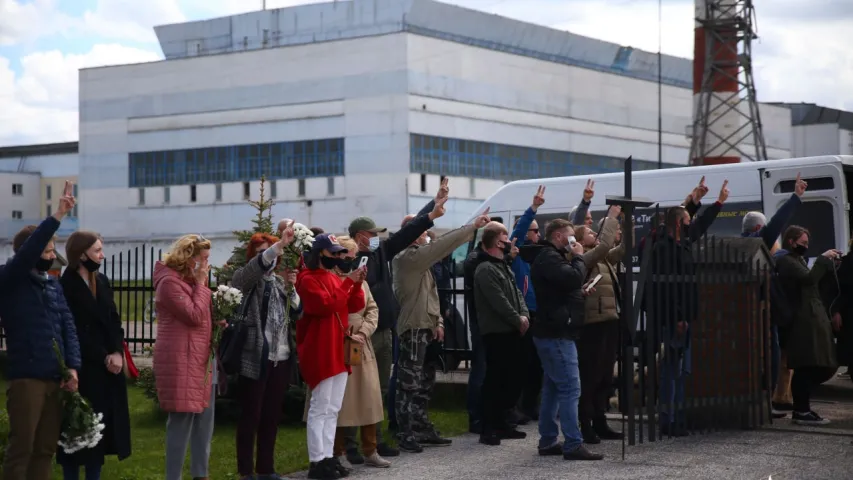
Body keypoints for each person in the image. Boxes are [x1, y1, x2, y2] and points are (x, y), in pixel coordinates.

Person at [343, 179, 447, 463]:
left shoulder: (379, 251)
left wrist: (432, 208)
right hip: (358, 333)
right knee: (354, 390)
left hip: (384, 328)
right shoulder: (346, 259)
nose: (377, 237)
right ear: (359, 235)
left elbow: (408, 232)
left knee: (379, 389)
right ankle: (350, 446)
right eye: (372, 233)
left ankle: (372, 443)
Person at [392, 198, 491, 453]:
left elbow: (432, 293)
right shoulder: (407, 257)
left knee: (425, 381)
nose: (426, 236)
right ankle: (405, 432)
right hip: (413, 328)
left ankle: (421, 426)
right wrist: (472, 228)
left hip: (425, 326)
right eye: (421, 232)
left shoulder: (420, 262)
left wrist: (437, 322)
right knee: (408, 384)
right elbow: (444, 245)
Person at [0, 181, 81, 480]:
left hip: (56, 378)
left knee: (46, 448)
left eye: (53, 248)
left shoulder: (52, 286)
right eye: (47, 248)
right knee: (23, 446)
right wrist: (58, 214)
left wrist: (72, 367)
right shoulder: (11, 279)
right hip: (28, 377)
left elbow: (68, 326)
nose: (51, 254)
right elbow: (27, 254)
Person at [649, 179, 727, 436]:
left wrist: (716, 203)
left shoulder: (681, 243)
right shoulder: (664, 247)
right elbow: (668, 288)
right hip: (674, 318)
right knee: (671, 370)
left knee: (681, 369)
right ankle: (668, 418)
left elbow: (700, 226)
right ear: (676, 224)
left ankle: (678, 415)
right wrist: (679, 317)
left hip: (684, 316)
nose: (689, 222)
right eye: (686, 220)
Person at [58, 231, 132, 480]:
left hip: (107, 368)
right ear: (81, 255)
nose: (102, 255)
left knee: (99, 433)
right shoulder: (65, 285)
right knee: (77, 432)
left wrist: (117, 352)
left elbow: (113, 320)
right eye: (97, 251)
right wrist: (103, 356)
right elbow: (73, 329)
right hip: (83, 366)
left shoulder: (101, 281)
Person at [230, 226, 302, 480]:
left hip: (280, 358)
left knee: (271, 415)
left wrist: (292, 288)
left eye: (269, 251)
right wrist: (277, 246)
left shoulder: (280, 281)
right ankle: (245, 470)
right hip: (255, 355)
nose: (268, 257)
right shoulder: (247, 279)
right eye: (260, 253)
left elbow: (297, 310)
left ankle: (266, 469)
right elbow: (249, 272)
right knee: (251, 414)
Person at [529, 218, 603, 461]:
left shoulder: (552, 258)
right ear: (559, 236)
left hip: (554, 329)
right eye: (571, 237)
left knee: (552, 387)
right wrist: (579, 256)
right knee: (571, 387)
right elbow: (570, 278)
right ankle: (573, 443)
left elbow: (561, 287)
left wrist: (579, 292)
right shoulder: (550, 257)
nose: (574, 241)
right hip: (557, 333)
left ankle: (548, 439)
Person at [296, 234, 367, 480]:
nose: (337, 257)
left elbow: (353, 305)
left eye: (338, 253)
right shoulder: (306, 279)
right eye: (333, 253)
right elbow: (324, 306)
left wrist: (356, 283)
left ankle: (327, 457)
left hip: (336, 347)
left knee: (333, 407)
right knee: (320, 407)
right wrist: (348, 283)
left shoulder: (331, 277)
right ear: (319, 254)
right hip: (321, 348)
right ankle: (318, 461)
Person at [741, 173, 807, 417]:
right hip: (762, 315)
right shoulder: (758, 242)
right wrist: (795, 197)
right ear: (759, 228)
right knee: (770, 359)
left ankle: (760, 403)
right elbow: (777, 224)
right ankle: (763, 404)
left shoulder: (743, 246)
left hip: (755, 315)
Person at [152, 234, 217, 480]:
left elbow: (201, 316)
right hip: (181, 358)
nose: (206, 265)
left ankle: (201, 474)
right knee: (181, 420)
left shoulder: (189, 281)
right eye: (203, 259)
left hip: (200, 356)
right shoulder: (169, 283)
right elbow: (192, 315)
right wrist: (201, 283)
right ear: (189, 258)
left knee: (204, 418)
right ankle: (174, 476)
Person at [332, 236, 392, 468]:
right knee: (341, 402)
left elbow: (373, 308)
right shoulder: (334, 279)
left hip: (361, 343)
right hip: (339, 341)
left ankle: (370, 450)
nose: (352, 260)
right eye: (348, 256)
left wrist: (364, 332)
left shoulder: (362, 280)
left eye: (355, 256)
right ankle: (338, 451)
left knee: (369, 397)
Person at [775, 226, 839, 425]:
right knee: (808, 365)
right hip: (801, 322)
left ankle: (802, 409)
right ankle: (801, 411)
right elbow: (808, 279)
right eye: (802, 243)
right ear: (791, 241)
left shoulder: (797, 260)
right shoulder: (786, 260)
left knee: (819, 364)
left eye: (807, 243)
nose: (805, 246)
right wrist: (822, 258)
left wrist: (830, 266)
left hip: (810, 319)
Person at [473, 222, 530, 446]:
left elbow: (516, 293)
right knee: (495, 380)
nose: (509, 242)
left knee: (512, 379)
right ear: (498, 241)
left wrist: (524, 314)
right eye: (506, 237)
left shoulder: (502, 265)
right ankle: (488, 427)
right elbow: (498, 300)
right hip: (497, 331)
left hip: (512, 330)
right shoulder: (485, 268)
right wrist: (517, 319)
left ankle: (503, 422)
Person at [573, 207, 624, 445]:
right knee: (590, 376)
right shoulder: (584, 259)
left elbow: (621, 250)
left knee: (604, 375)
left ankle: (601, 421)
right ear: (581, 240)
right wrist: (611, 218)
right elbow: (604, 246)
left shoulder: (601, 258)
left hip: (609, 320)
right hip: (592, 324)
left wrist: (629, 226)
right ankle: (586, 424)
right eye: (590, 233)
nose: (595, 234)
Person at [508, 186, 546, 423]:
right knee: (522, 364)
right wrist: (532, 210)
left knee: (537, 366)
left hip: (538, 314)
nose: (538, 235)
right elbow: (518, 231)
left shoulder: (537, 257)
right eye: (534, 231)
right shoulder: (517, 255)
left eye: (539, 231)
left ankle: (531, 406)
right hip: (524, 314)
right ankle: (518, 407)